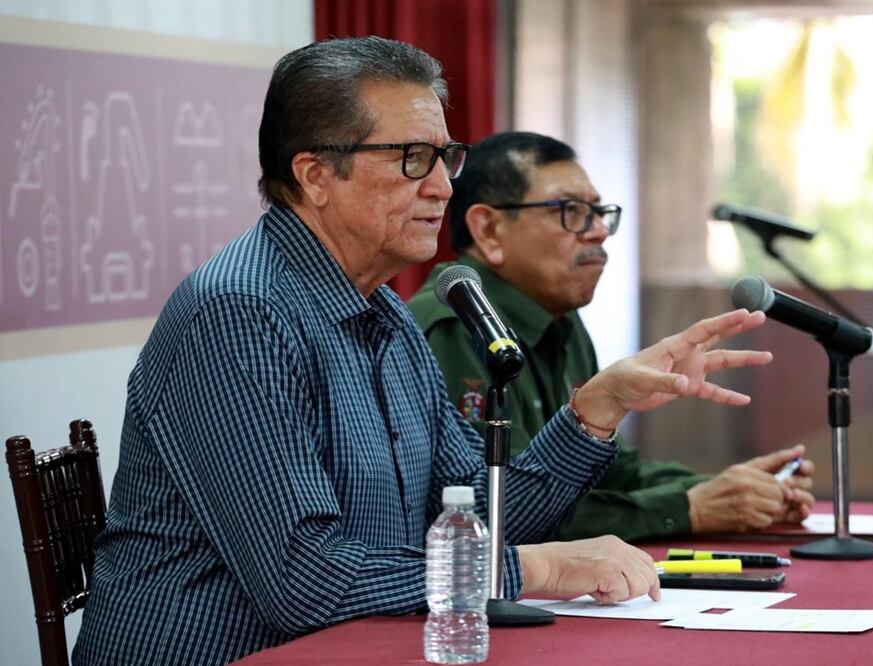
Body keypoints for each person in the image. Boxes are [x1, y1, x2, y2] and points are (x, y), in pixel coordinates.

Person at [72, 38, 775, 665]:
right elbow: (303, 581)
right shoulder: (240, 315)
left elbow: (481, 513)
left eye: (444, 157)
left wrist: (598, 407)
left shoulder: (382, 313)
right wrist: (536, 570)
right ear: (316, 174)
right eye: (412, 159)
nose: (441, 186)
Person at [409, 131, 815, 543]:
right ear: (490, 229)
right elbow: (501, 512)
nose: (600, 231)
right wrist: (689, 508)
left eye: (599, 212)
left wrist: (728, 490)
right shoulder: (457, 327)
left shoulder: (559, 318)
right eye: (571, 211)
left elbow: (608, 472)